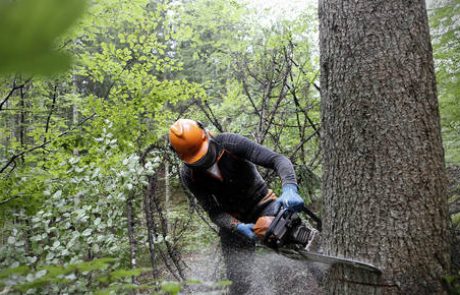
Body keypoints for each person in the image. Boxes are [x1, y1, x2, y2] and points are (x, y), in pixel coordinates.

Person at [169, 118, 316, 294]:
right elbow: (214, 212)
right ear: (181, 157)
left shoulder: (230, 143)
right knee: (238, 282)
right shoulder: (189, 175)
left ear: (206, 135)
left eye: (205, 154)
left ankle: (329, 277)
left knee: (303, 239)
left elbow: (277, 160)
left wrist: (290, 188)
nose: (203, 161)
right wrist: (237, 226)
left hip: (263, 203)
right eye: (197, 160)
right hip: (234, 220)